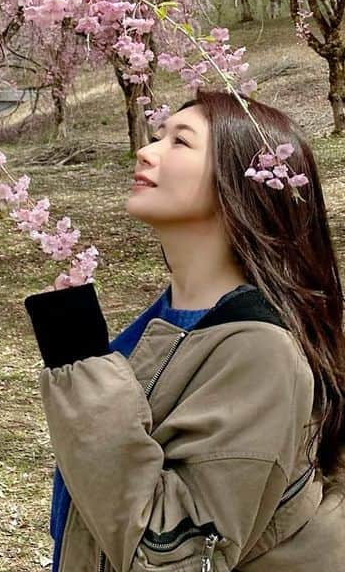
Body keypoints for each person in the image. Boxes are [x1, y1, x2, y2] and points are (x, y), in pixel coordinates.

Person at [24, 90, 345, 571]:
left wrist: (79, 361)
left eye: (180, 142)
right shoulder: (169, 320)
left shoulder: (261, 352)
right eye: (157, 136)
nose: (146, 151)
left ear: (242, 182)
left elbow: (174, 554)